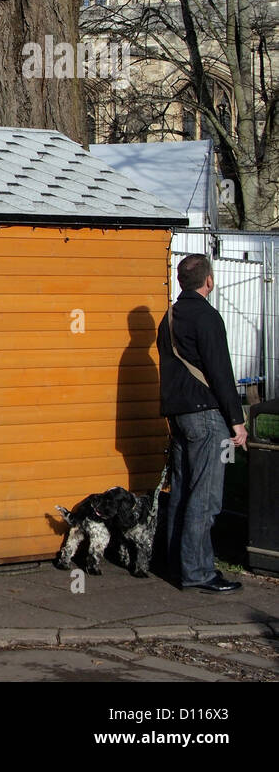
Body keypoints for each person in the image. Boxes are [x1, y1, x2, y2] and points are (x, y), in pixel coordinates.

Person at [157, 254, 248, 593]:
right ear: (208, 281)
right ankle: (198, 572)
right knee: (205, 497)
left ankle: (177, 565)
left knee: (181, 492)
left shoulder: (169, 317)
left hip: (178, 415)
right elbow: (220, 372)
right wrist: (236, 421)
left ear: (182, 281)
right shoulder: (207, 317)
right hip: (206, 414)